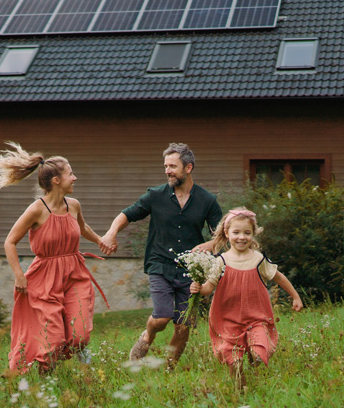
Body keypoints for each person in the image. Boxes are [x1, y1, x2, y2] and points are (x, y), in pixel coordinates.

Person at [0, 142, 109, 374]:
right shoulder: (36, 210)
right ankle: (46, 379)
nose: (75, 178)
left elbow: (82, 228)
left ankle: (63, 362)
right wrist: (19, 275)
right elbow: (9, 242)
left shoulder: (74, 205)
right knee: (51, 342)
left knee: (79, 336)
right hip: (44, 279)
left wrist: (100, 240)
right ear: (56, 181)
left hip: (75, 274)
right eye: (70, 174)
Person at [99, 142, 223, 367]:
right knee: (163, 317)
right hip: (160, 264)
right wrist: (111, 233)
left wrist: (211, 244)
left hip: (191, 270)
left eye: (172, 166)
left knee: (184, 324)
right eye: (165, 166)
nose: (167, 170)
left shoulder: (207, 201)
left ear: (188, 168)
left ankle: (170, 367)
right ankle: (147, 336)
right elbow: (127, 214)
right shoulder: (155, 196)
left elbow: (222, 235)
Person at [190, 208, 303, 391]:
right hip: (228, 318)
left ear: (253, 234)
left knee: (259, 354)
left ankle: (253, 361)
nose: (241, 237)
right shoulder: (220, 261)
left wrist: (295, 297)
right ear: (227, 233)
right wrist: (197, 288)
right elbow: (208, 289)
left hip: (256, 316)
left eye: (247, 233)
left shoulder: (258, 259)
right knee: (233, 361)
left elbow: (279, 277)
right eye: (236, 232)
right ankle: (241, 389)